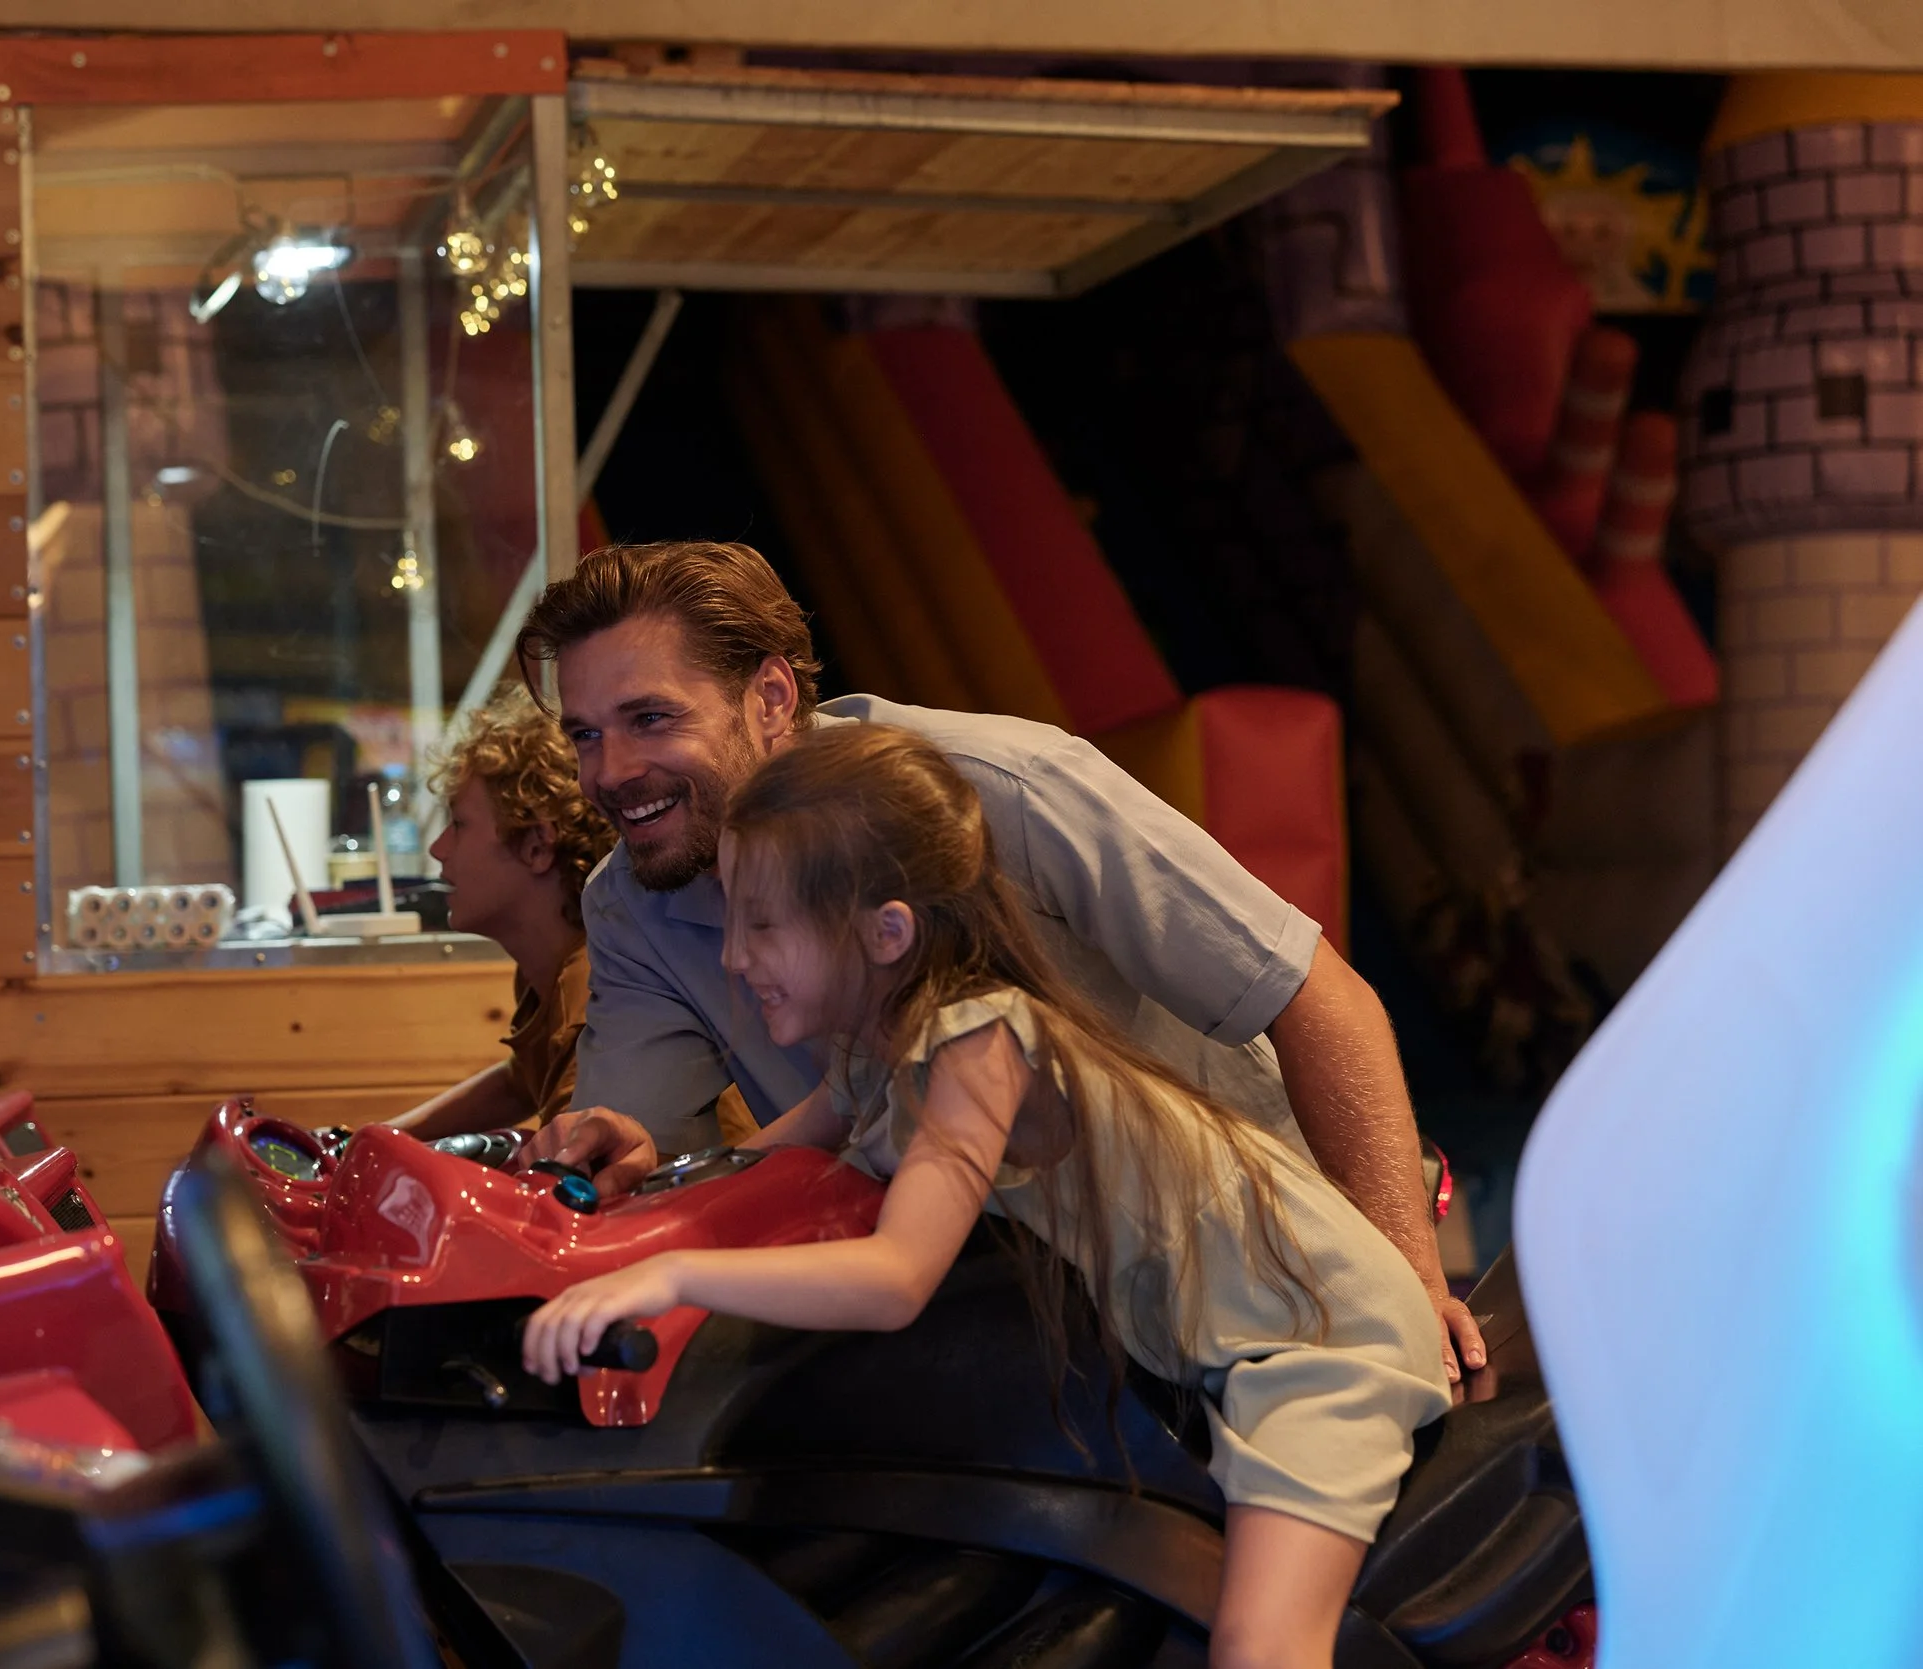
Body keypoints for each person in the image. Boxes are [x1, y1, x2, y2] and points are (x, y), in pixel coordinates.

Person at [521, 726, 1450, 1669]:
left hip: (1318, 1339)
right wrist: (620, 1200)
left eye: (762, 925)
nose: (731, 957)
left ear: (886, 933)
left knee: (1261, 1647)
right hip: (1218, 1345)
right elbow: (753, 1172)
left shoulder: (978, 1041)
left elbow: (896, 1276)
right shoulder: (874, 1052)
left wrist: (674, 1277)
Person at [517, 541, 1486, 1381]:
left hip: (1257, 1267)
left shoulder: (1001, 790)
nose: (609, 772)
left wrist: (1407, 1286)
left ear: (770, 698)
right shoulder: (631, 898)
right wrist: (633, 1165)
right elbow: (681, 1164)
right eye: (585, 735)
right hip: (1030, 1307)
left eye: (650, 719)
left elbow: (1314, 994)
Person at [387, 687, 621, 1137]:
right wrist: (379, 1137)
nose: (438, 850)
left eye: (459, 824)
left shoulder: (593, 999)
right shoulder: (551, 968)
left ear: (536, 846)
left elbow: (569, 1168)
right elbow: (521, 1082)